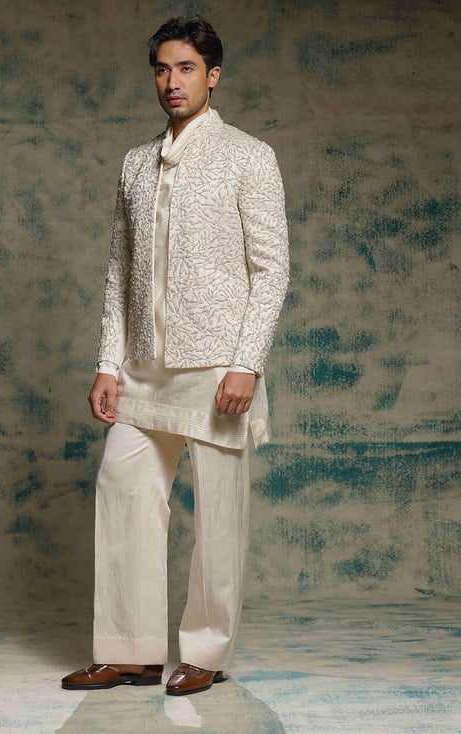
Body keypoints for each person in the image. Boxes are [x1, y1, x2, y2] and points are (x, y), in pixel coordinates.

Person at [61, 15, 289, 697]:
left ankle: (206, 651)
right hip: (142, 366)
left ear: (212, 76)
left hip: (218, 364)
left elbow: (272, 270)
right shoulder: (135, 163)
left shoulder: (249, 156)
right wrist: (108, 362)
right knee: (124, 490)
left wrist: (246, 362)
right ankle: (127, 651)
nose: (172, 82)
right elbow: (119, 272)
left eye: (186, 68)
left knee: (219, 516)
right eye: (162, 69)